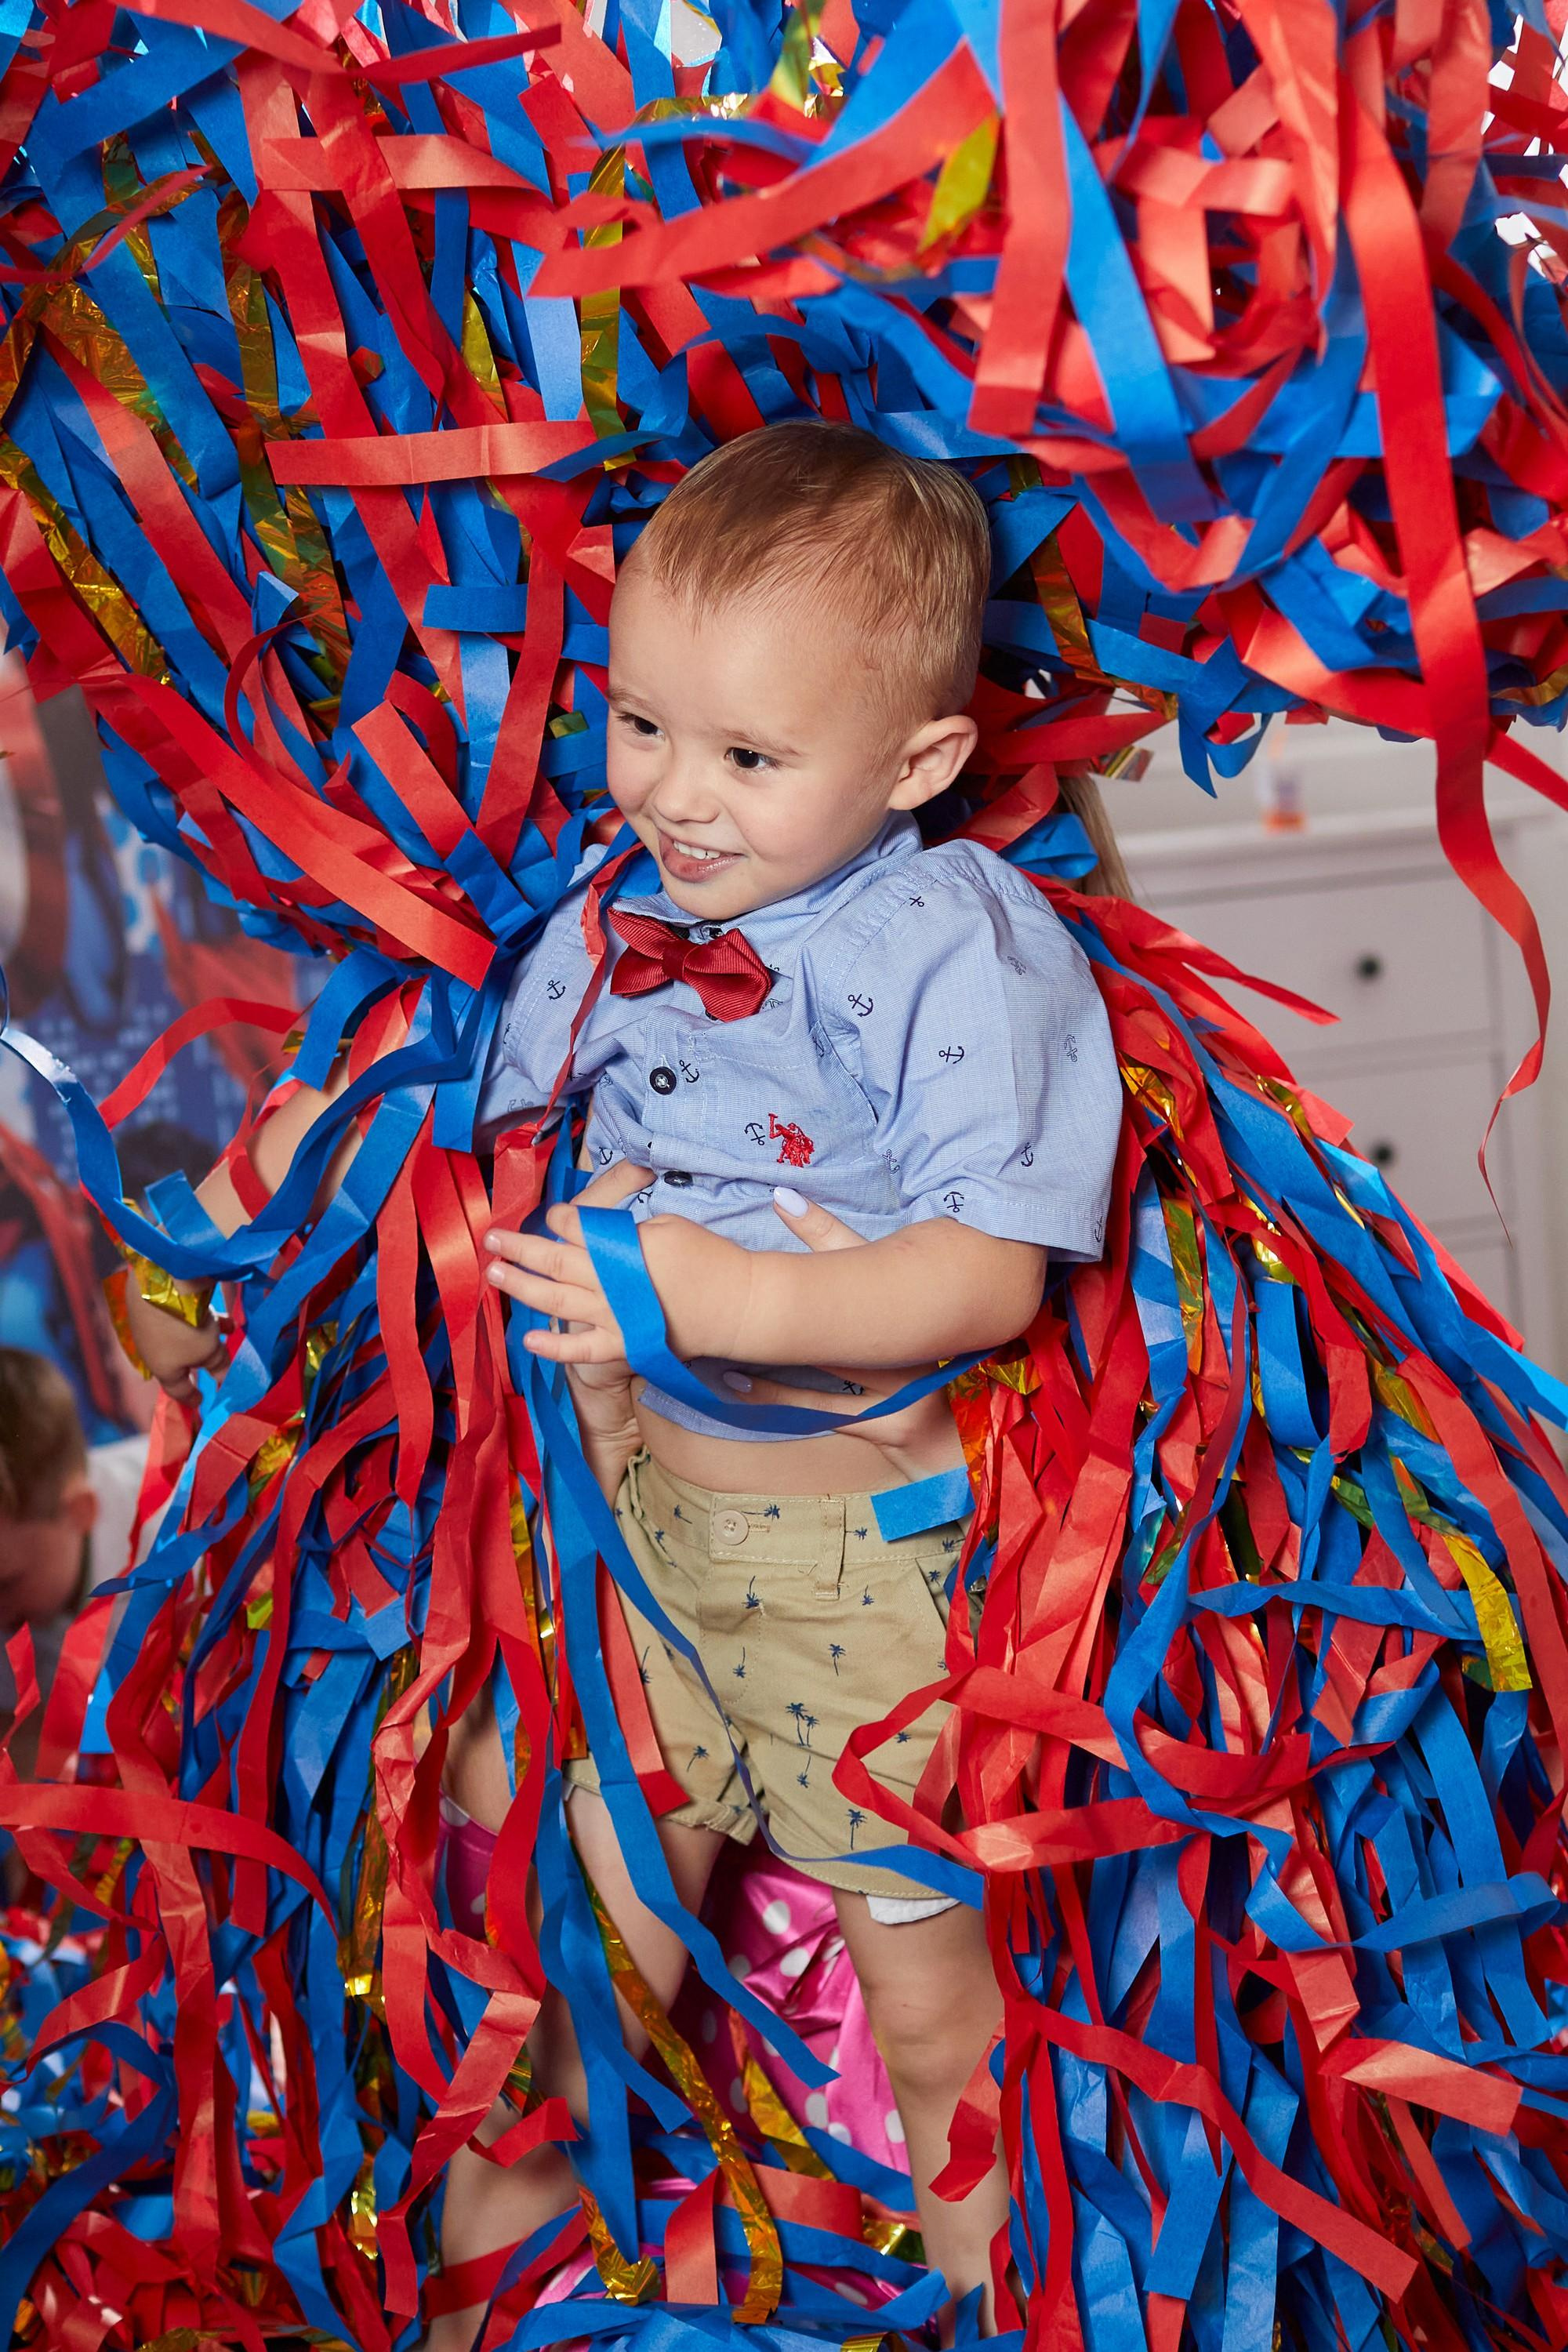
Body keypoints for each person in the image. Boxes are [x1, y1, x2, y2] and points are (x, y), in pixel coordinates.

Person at [121, 422, 1124, 2342]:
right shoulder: (613, 915)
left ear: (918, 764)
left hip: (861, 1591)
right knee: (564, 1964)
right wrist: (293, 1168)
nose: (675, 794)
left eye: (749, 757)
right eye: (643, 724)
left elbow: (990, 1273)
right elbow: (492, 1128)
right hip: (647, 1560)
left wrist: (717, 1295)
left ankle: (1004, 2308)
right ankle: (479, 2304)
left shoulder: (965, 953)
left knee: (931, 2015)